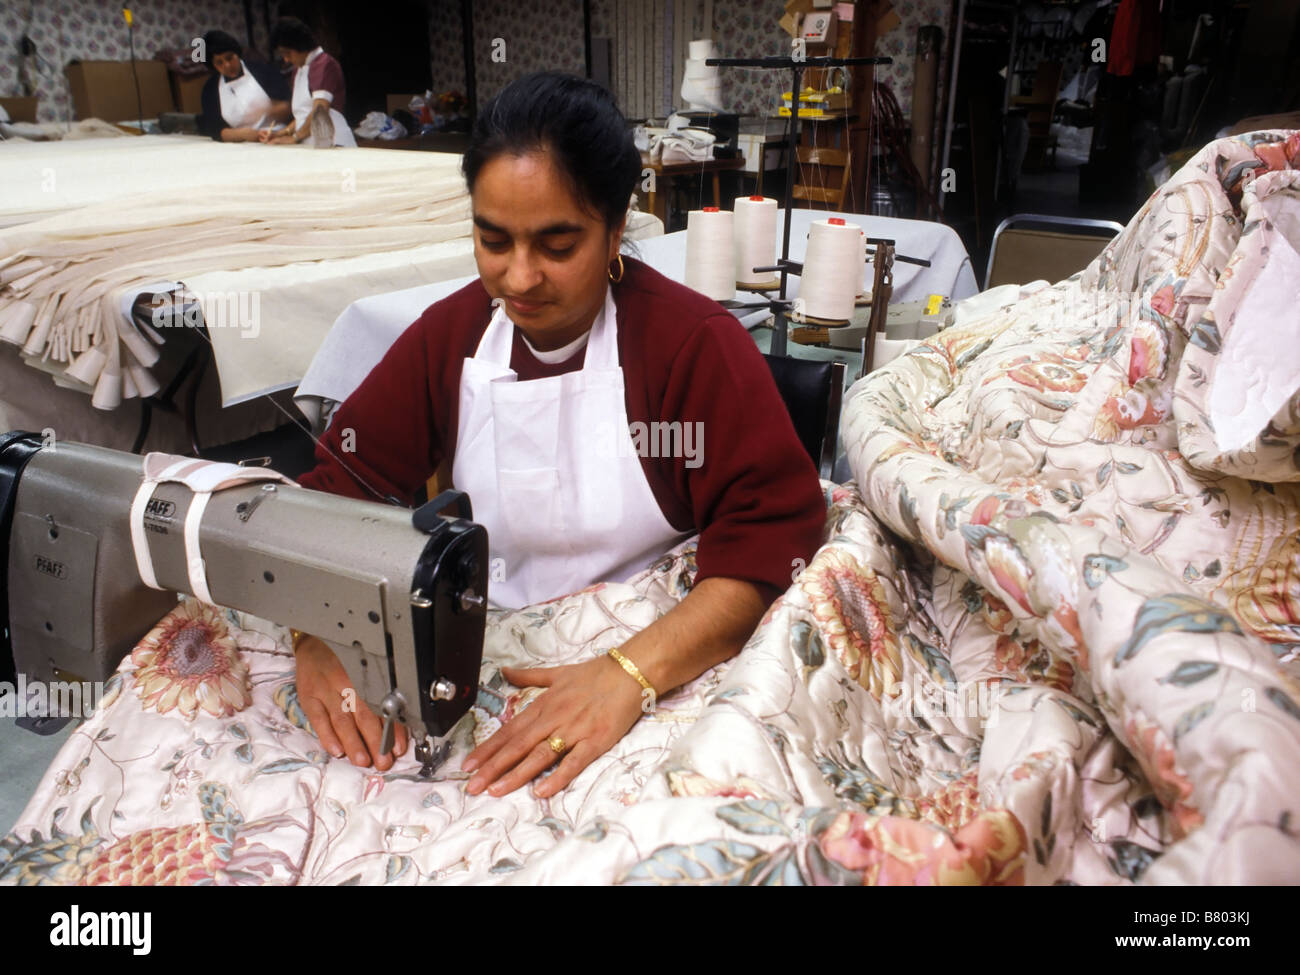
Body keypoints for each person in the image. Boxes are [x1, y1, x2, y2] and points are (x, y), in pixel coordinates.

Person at [293, 72, 824, 798]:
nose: (519, 277)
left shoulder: (689, 349)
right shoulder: (450, 340)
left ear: (616, 224)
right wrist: (317, 629)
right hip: (490, 646)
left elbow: (770, 543)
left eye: (557, 243)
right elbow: (330, 494)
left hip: (655, 652)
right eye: (493, 239)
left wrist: (627, 675)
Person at [261, 17, 356, 147]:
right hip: (309, 143)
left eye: (287, 53)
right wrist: (283, 132)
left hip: (334, 142)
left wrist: (294, 138)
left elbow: (320, 110)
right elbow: (303, 114)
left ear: (300, 45)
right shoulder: (298, 69)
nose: (286, 59)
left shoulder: (324, 64)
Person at [196, 30, 291, 142]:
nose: (227, 65)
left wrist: (277, 110)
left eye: (229, 58)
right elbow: (216, 130)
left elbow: (289, 106)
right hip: (240, 144)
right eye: (219, 63)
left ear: (237, 54)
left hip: (277, 137)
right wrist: (242, 134)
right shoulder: (210, 89)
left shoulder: (264, 71)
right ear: (213, 66)